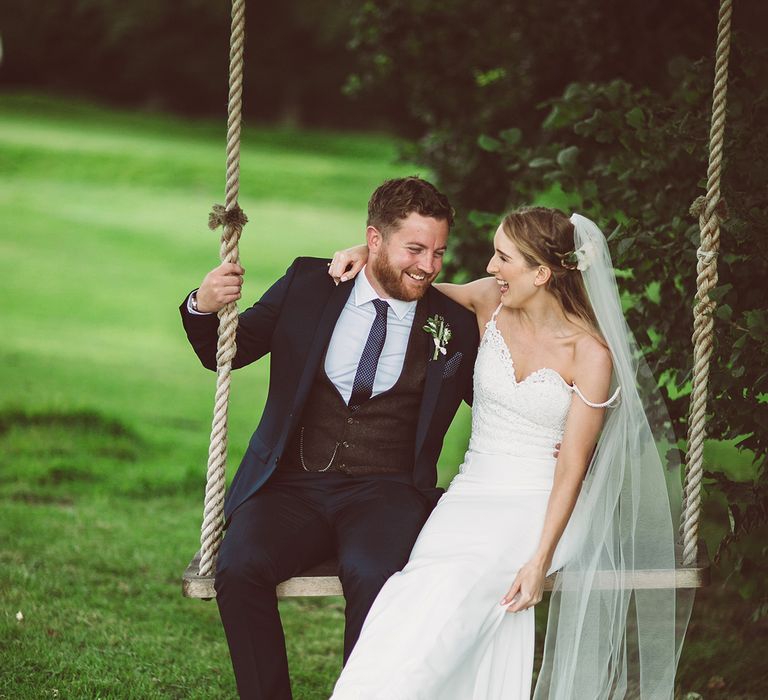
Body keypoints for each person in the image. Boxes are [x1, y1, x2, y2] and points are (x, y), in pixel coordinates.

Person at [326, 207, 687, 699]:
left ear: (541, 273)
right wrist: (364, 253)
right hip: (471, 491)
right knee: (416, 588)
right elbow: (408, 285)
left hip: (539, 502)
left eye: (503, 258)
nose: (491, 267)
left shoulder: (589, 353)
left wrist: (539, 560)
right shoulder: (488, 301)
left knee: (459, 589)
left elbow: (573, 465)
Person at [180, 177, 484, 699]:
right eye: (414, 248)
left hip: (386, 491)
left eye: (438, 251)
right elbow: (226, 352)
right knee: (239, 567)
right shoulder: (309, 283)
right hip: (291, 483)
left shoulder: (454, 323)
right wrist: (202, 305)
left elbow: (499, 390)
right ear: (374, 239)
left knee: (376, 575)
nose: (429, 265)